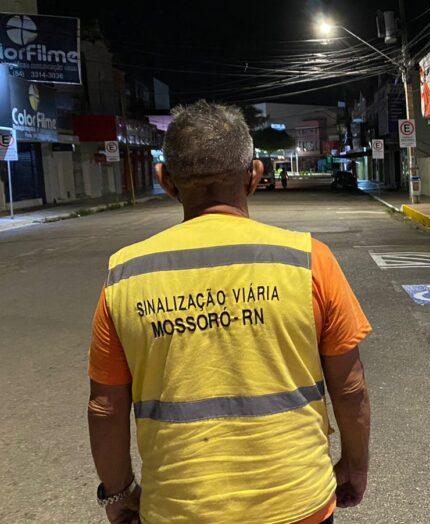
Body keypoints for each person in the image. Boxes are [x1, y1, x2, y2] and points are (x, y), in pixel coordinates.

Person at [86, 101, 371, 524]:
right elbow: (349, 388)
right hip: (297, 503)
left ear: (165, 181)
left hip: (180, 509)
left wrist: (118, 493)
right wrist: (355, 465)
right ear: (255, 175)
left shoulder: (126, 274)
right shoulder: (309, 260)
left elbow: (105, 409)